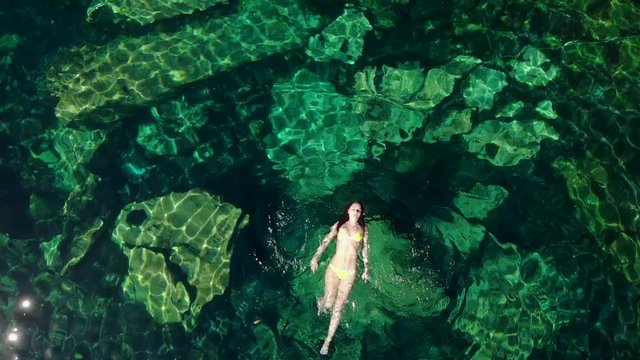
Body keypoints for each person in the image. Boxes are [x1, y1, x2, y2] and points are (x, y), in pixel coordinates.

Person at [310, 201, 370, 355]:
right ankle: (321, 301)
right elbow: (326, 240)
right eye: (353, 209)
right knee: (328, 305)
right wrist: (315, 258)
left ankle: (327, 341)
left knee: (338, 307)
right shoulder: (339, 225)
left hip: (349, 273)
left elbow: (365, 251)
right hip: (334, 269)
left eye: (358, 210)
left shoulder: (363, 230)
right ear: (347, 211)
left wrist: (366, 269)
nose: (356, 212)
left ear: (361, 213)